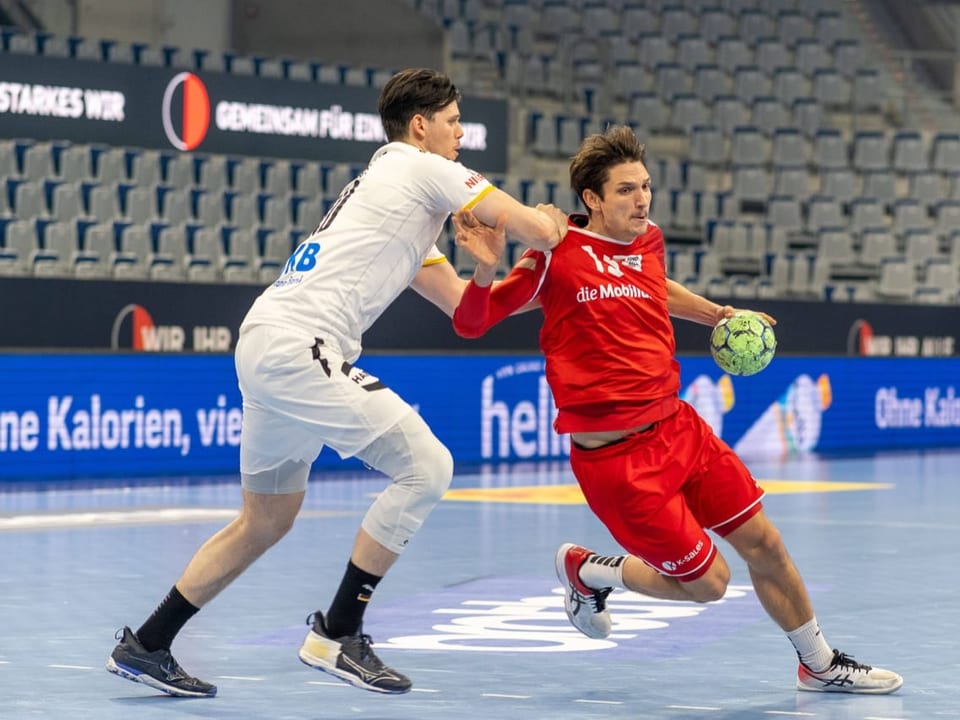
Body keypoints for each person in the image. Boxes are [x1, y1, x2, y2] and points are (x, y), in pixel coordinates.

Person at [106, 67, 566, 698]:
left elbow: (466, 313)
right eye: (455, 121)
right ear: (420, 125)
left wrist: (487, 269)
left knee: (266, 520)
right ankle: (337, 632)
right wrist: (547, 228)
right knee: (427, 466)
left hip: (268, 343)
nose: (463, 134)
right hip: (301, 347)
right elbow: (538, 229)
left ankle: (148, 644)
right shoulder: (416, 166)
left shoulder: (399, 197)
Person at [450, 125, 903, 695]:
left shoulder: (649, 240)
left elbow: (657, 288)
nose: (641, 200)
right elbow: (471, 322)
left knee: (765, 543)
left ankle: (818, 663)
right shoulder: (554, 254)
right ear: (592, 198)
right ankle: (587, 570)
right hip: (618, 465)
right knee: (710, 583)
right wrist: (486, 269)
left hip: (679, 429)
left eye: (645, 187)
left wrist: (719, 314)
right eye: (625, 190)